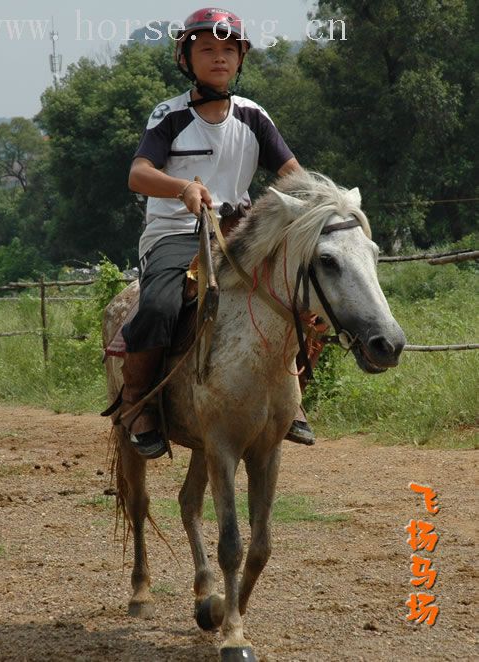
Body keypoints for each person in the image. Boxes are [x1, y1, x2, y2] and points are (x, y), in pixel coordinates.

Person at [121, 7, 315, 458]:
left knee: (307, 296)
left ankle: (292, 398)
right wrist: (183, 187)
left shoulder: (253, 116)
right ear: (186, 59)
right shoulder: (167, 115)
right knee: (158, 304)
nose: (219, 57)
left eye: (230, 49)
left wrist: (319, 202)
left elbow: (291, 173)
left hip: (239, 234)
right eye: (207, 49)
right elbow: (138, 173)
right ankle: (137, 404)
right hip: (177, 234)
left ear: (241, 59)